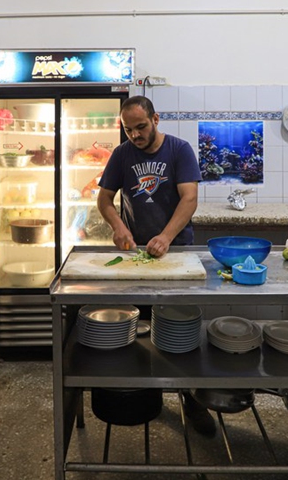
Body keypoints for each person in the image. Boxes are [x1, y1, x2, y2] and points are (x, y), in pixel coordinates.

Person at [96, 95, 215, 437]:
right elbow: (103, 198)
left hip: (177, 253)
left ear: (156, 119)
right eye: (129, 129)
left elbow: (189, 197)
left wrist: (165, 236)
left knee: (181, 329)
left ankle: (192, 401)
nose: (135, 135)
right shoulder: (122, 154)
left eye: (141, 127)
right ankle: (148, 393)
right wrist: (118, 227)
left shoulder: (179, 150)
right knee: (143, 328)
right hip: (138, 257)